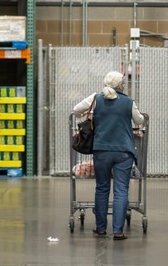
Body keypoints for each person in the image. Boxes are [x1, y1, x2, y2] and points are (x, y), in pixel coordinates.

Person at [73, 71, 144, 240]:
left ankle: (101, 228)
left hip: (102, 150)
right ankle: (118, 231)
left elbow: (76, 110)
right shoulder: (128, 102)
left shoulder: (95, 99)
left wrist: (90, 114)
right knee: (121, 190)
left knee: (102, 188)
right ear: (120, 85)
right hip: (124, 151)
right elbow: (139, 120)